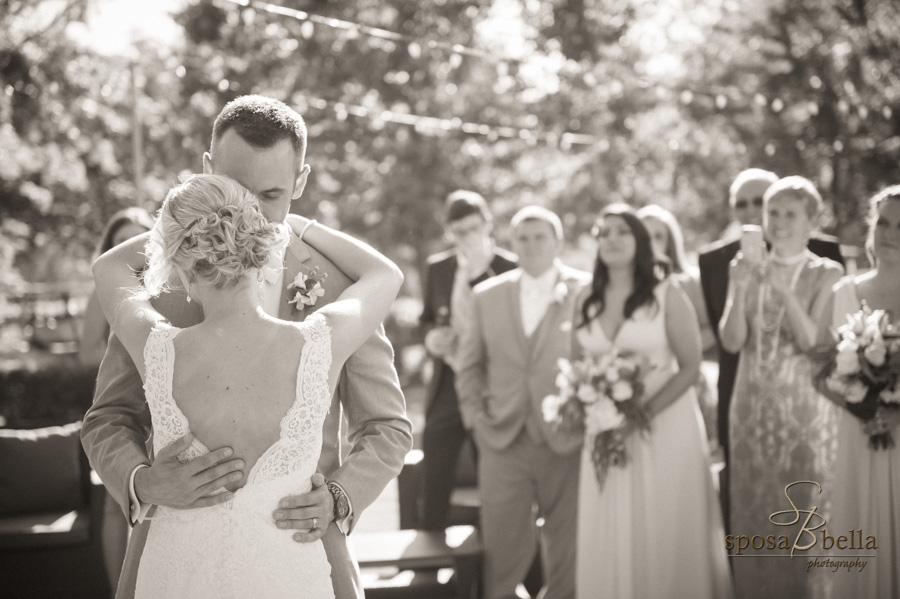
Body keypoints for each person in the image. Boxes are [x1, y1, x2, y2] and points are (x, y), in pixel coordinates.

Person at [80, 95, 413, 599]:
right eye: (235, 190)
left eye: (272, 195)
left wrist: (339, 499)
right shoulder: (159, 284)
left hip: (302, 552)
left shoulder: (339, 280)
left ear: (300, 181)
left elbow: (386, 426)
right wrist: (143, 483)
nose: (251, 217)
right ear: (206, 170)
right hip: (175, 557)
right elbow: (106, 419)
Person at [573, 204, 732, 599]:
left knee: (664, 522)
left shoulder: (666, 294)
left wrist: (639, 415)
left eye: (622, 231)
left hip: (665, 428)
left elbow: (691, 366)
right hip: (604, 431)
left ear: (639, 242)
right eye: (604, 231)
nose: (611, 239)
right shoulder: (583, 299)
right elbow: (574, 368)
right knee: (610, 524)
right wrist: (591, 406)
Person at [697, 168, 843, 530]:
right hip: (748, 411)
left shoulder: (828, 273)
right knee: (754, 514)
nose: (778, 223)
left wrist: (783, 290)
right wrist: (740, 287)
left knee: (806, 514)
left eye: (790, 214)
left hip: (806, 411)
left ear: (811, 220)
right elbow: (731, 342)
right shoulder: (744, 267)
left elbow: (813, 344)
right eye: (772, 213)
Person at [455, 205, 588, 599]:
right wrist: (474, 419)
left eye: (539, 237)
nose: (530, 246)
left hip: (567, 438)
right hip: (501, 438)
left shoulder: (586, 290)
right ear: (511, 244)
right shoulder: (487, 295)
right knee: (501, 546)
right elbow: (469, 366)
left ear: (559, 242)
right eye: (522, 238)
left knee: (569, 544)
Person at [817, 186, 900, 599]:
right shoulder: (844, 293)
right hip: (859, 432)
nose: (891, 234)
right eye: (883, 222)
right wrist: (861, 407)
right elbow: (820, 372)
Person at [418, 190, 517, 530]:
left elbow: (506, 324)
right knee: (434, 471)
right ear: (450, 232)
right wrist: (432, 338)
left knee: (491, 474)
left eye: (474, 228)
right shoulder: (438, 267)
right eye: (459, 232)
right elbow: (428, 318)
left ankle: (494, 555)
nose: (468, 238)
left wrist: (478, 272)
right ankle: (428, 562)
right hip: (447, 381)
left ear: (488, 224)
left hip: (490, 386)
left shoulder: (509, 267)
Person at [637, 205, 718, 447]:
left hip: (684, 380)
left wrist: (678, 346)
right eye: (644, 235)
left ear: (670, 242)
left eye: (658, 236)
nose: (650, 242)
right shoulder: (623, 286)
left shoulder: (689, 282)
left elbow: (711, 330)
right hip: (636, 383)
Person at [79, 207, 156, 367]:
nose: (130, 246)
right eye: (122, 241)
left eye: (137, 239)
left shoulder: (172, 285)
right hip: (121, 388)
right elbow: (88, 354)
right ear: (111, 247)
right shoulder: (101, 290)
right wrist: (144, 356)